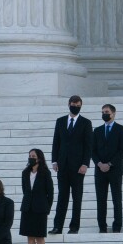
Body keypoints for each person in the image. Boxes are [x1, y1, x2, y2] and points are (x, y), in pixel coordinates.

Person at [50, 95, 93, 234]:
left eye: (78, 104)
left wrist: (85, 164)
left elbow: (88, 146)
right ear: (69, 104)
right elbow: (56, 142)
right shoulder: (60, 121)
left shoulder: (86, 123)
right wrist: (54, 160)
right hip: (62, 165)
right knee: (62, 196)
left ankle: (74, 227)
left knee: (77, 197)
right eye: (74, 104)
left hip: (78, 167)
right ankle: (58, 226)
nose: (76, 106)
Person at [92, 104, 123, 233]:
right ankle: (102, 226)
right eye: (102, 112)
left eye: (106, 112)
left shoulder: (121, 129)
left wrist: (110, 164)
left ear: (113, 113)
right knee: (101, 199)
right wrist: (99, 164)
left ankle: (117, 225)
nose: (104, 114)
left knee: (116, 199)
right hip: (100, 170)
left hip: (115, 170)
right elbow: (93, 150)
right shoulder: (97, 131)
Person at [19, 149, 54, 244]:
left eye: (33, 156)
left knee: (39, 237)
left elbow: (50, 192)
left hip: (40, 209)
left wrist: (46, 208)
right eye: (29, 156)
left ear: (39, 158)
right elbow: (25, 190)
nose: (31, 158)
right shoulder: (25, 173)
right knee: (29, 237)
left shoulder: (45, 172)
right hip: (27, 208)